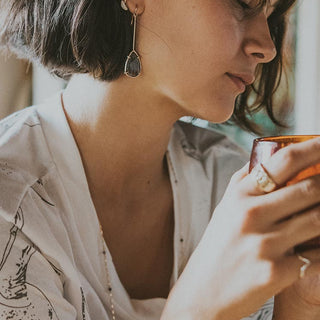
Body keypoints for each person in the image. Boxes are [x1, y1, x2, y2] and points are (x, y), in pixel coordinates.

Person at [1, 0, 320, 319]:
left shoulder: (230, 184)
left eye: (271, 16)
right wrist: (199, 307)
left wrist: (302, 302)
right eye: (243, 4)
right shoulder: (10, 207)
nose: (267, 47)